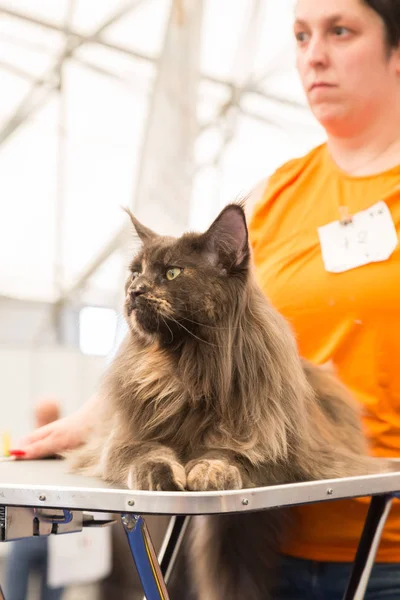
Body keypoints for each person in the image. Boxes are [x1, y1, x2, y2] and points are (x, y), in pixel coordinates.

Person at [13, 0, 400, 597]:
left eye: (340, 31)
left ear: (396, 50)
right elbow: (192, 328)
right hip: (269, 532)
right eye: (299, 36)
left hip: (388, 544)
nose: (313, 54)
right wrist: (99, 422)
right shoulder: (275, 194)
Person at [6, 398, 65, 600]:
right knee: (14, 591)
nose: (43, 423)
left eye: (48, 418)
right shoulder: (24, 450)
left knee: (52, 594)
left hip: (57, 536)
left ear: (58, 418)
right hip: (24, 533)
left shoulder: (68, 453)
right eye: (40, 418)